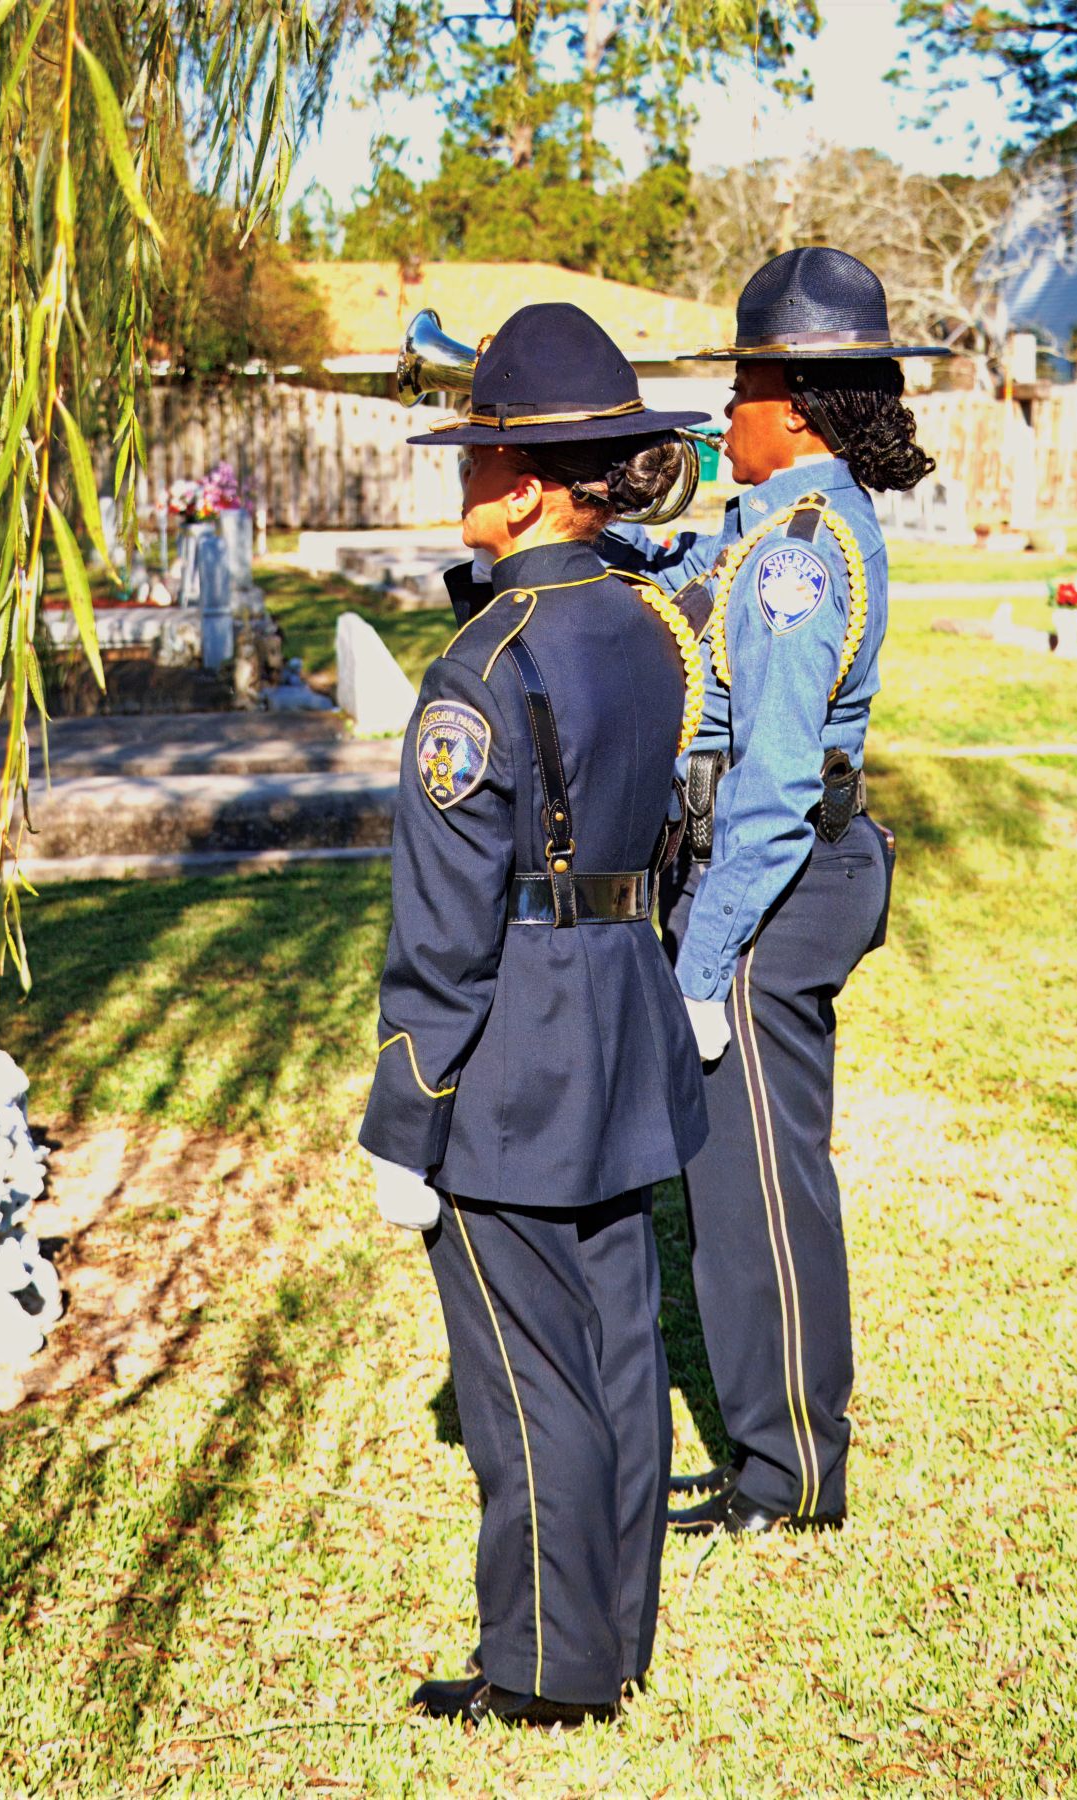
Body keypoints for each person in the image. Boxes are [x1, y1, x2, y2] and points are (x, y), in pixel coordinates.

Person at [358, 302, 710, 1727]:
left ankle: (550, 1669)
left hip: (515, 1054)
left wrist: (405, 1113)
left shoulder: (482, 671)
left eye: (476, 457)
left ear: (520, 481)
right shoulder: (647, 621)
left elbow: (444, 934)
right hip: (625, 1012)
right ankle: (614, 1631)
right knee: (618, 1344)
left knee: (520, 1378)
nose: (462, 484)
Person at [618, 247, 946, 1536]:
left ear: (794, 403)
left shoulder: (801, 553)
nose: (721, 412)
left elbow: (773, 783)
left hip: (774, 882)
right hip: (770, 878)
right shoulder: (772, 528)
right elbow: (694, 594)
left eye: (738, 387)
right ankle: (771, 1447)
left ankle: (794, 1469)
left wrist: (704, 965)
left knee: (761, 1183)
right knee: (735, 1182)